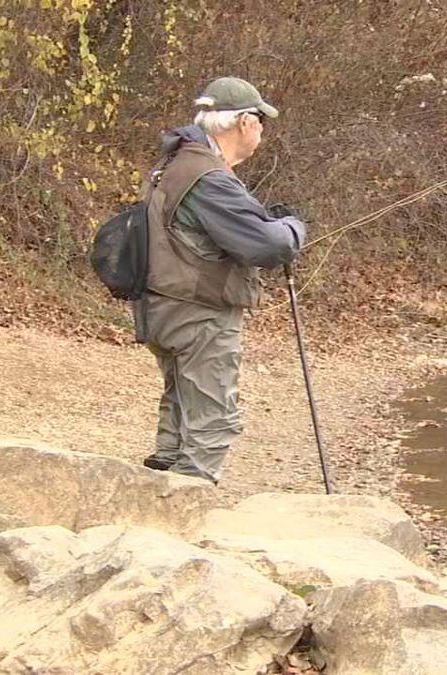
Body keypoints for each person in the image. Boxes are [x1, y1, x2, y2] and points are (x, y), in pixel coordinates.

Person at [135, 77, 305, 484]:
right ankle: (185, 501)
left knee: (181, 404)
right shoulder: (208, 177)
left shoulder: (174, 162)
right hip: (199, 312)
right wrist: (293, 227)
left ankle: (160, 491)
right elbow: (268, 246)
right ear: (245, 122)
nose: (262, 131)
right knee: (212, 420)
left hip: (162, 306)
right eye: (261, 121)